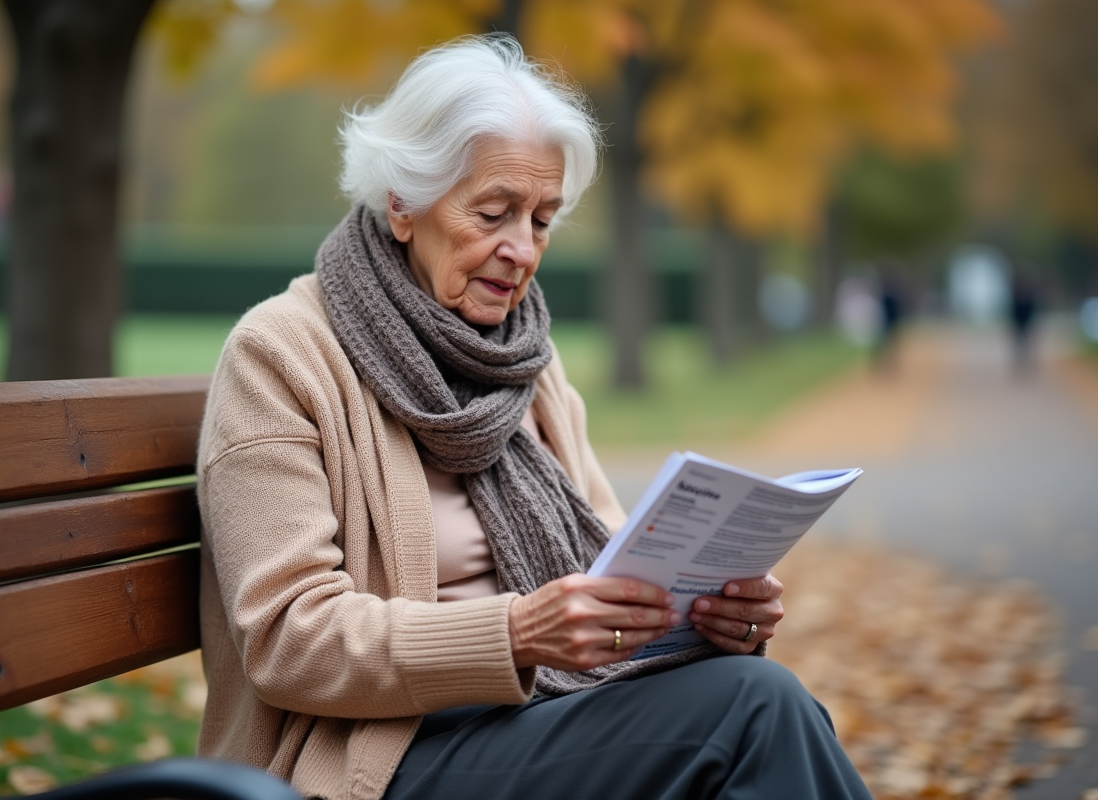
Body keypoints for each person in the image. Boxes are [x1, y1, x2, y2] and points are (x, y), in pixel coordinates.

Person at [196, 34, 872, 800]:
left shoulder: (526, 359)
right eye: (494, 213)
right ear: (403, 204)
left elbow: (614, 564)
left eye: (543, 220)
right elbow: (290, 641)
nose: (522, 249)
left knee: (761, 701)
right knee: (757, 714)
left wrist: (715, 617)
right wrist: (514, 634)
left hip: (540, 714)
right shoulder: (282, 354)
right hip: (371, 755)